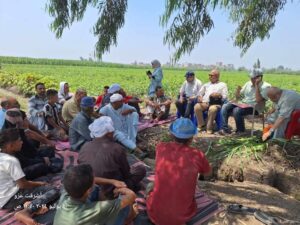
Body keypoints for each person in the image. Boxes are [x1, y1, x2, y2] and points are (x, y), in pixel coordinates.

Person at [146, 118, 211, 225]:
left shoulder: (161, 147)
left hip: (155, 215)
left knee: (151, 186)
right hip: (181, 217)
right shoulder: (197, 155)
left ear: (172, 135)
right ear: (191, 138)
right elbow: (207, 173)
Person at [0, 128, 60, 225]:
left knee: (43, 180)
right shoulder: (10, 160)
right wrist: (39, 184)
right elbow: (23, 185)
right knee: (53, 190)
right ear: (11, 145)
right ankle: (26, 211)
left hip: (3, 200)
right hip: (11, 198)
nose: (22, 142)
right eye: (19, 140)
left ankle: (28, 203)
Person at [78, 117, 146, 197]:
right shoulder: (117, 148)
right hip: (112, 191)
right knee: (140, 169)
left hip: (89, 189)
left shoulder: (84, 146)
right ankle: (125, 190)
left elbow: (81, 169)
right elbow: (126, 174)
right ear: (109, 133)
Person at [53, 164, 137, 225]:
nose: (95, 180)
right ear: (88, 190)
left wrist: (112, 181)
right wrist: (121, 190)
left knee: (96, 188)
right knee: (124, 208)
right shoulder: (97, 210)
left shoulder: (67, 191)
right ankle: (128, 220)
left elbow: (93, 181)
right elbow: (132, 196)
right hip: (84, 215)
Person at [3, 109, 63, 180]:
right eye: (25, 120)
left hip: (27, 157)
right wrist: (42, 160)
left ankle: (47, 162)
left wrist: (39, 156)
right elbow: (23, 162)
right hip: (21, 168)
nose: (27, 122)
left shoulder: (18, 130)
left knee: (49, 150)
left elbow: (28, 147)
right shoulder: (10, 139)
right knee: (42, 166)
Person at [220, 69, 271, 134]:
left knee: (236, 110)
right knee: (225, 106)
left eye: (253, 78)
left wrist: (257, 86)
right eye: (251, 78)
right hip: (244, 104)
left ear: (259, 78)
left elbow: (258, 100)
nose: (251, 79)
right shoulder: (248, 83)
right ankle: (224, 129)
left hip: (255, 107)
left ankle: (240, 131)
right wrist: (238, 91)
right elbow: (238, 97)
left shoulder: (266, 86)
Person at [194, 69, 228, 134]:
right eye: (209, 75)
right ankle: (202, 125)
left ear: (217, 76)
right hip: (205, 102)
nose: (209, 76)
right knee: (197, 106)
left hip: (216, 103)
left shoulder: (223, 85)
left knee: (212, 109)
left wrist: (218, 95)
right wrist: (200, 97)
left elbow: (225, 96)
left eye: (211, 75)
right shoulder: (206, 84)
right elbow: (200, 93)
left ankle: (209, 128)